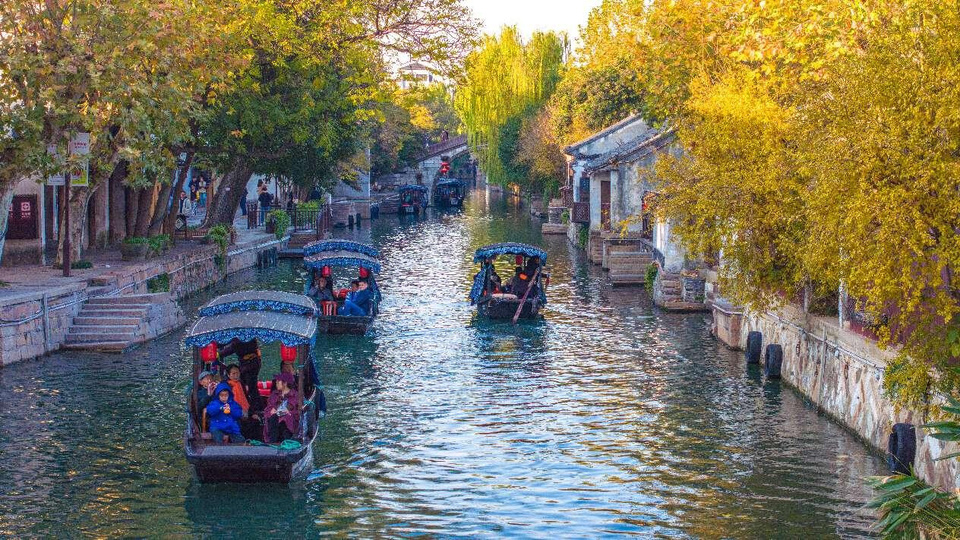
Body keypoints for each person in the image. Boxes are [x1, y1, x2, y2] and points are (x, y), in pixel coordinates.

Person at [219, 338, 261, 410]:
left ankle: (255, 408)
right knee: (246, 385)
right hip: (245, 363)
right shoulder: (237, 338)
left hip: (251, 363)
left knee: (251, 386)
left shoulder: (242, 338)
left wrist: (220, 353)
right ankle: (248, 404)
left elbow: (232, 346)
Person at [263, 372, 299, 443]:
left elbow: (293, 409)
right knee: (273, 417)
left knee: (285, 418)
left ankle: (287, 441)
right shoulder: (274, 394)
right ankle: (272, 442)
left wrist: (285, 412)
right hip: (274, 420)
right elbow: (269, 408)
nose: (276, 382)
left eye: (278, 381)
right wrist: (273, 411)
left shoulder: (295, 395)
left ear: (285, 383)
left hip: (289, 422)